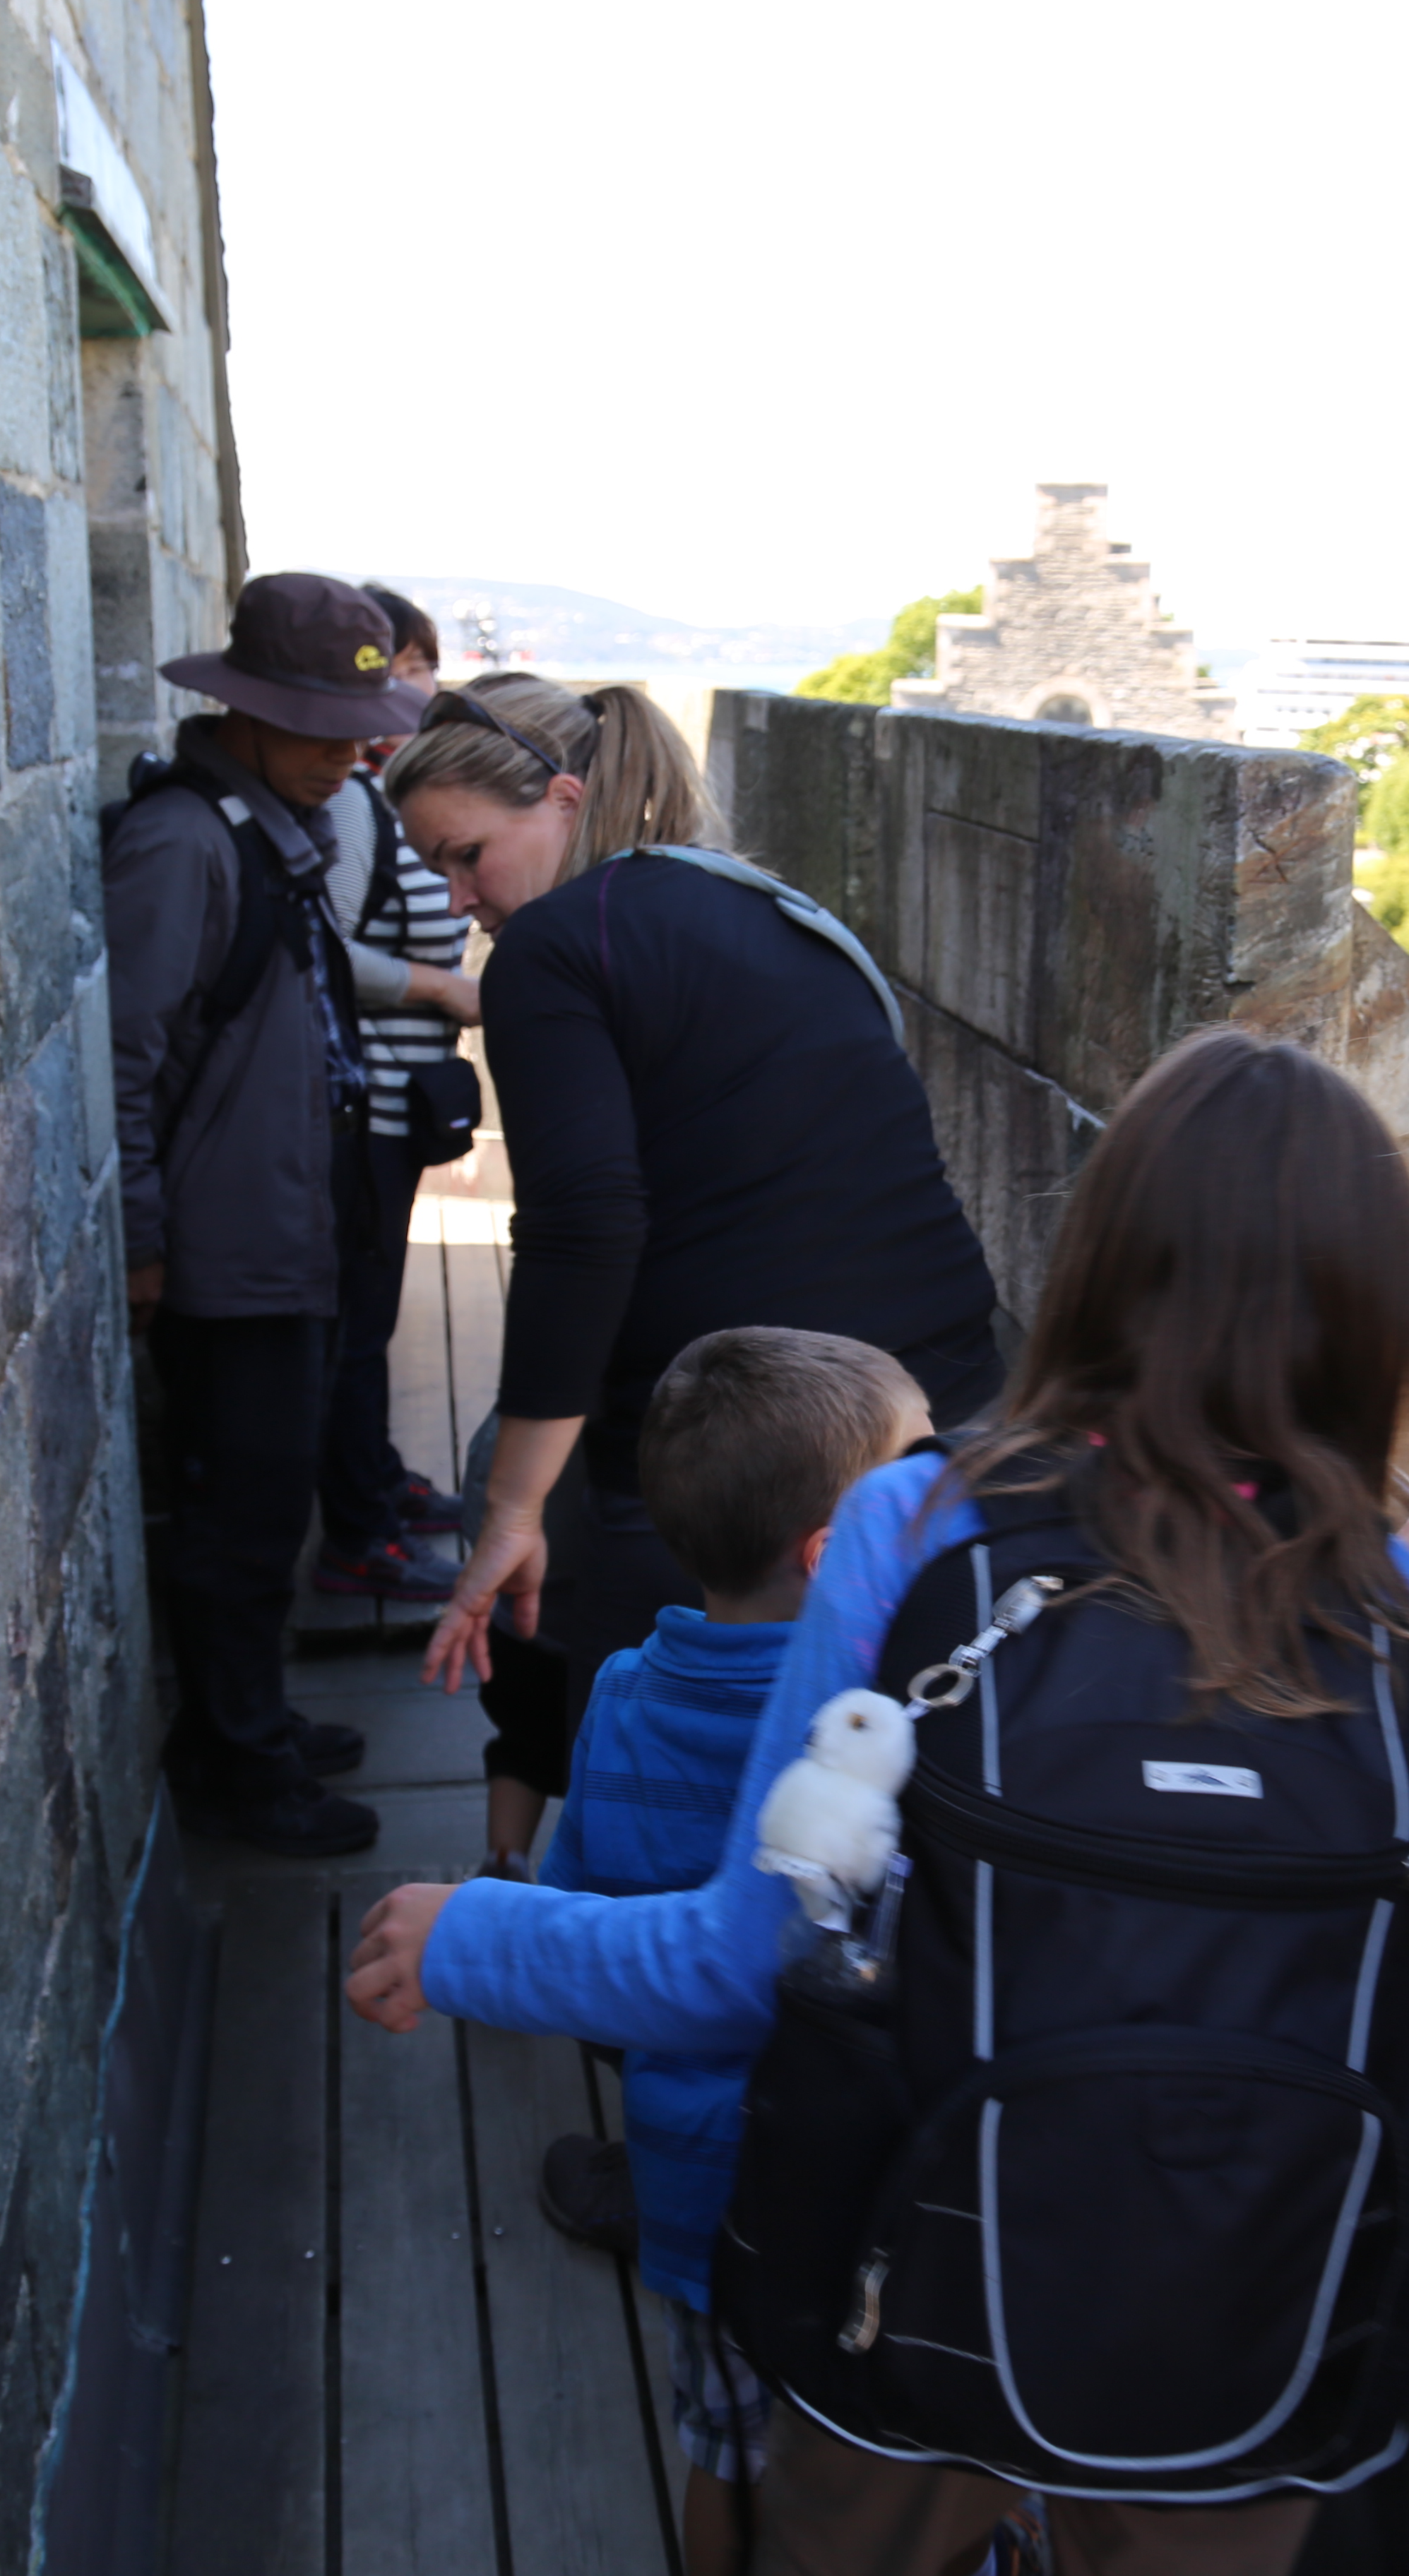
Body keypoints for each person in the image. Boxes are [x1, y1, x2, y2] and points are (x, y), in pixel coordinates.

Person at [347, 1027, 1409, 2576]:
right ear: (1373, 1312)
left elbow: (746, 1959)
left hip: (924, 2313)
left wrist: (472, 1934)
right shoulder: (1390, 1602)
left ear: (1102, 1252)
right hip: (1250, 2364)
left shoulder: (923, 1524)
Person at [380, 674, 1003, 1877]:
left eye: (468, 859)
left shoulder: (554, 948)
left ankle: (645, 2004)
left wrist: (515, 1508)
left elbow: (582, 1229)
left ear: (564, 799)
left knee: (688, 1783)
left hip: (748, 1449)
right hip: (936, 1407)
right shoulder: (771, 907)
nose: (462, 904)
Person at [521, 1326, 932, 2576]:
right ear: (837, 1557)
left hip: (694, 2192)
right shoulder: (886, 1736)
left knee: (725, 2449)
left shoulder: (622, 1699)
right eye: (917, 1494)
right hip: (864, 2199)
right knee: (886, 2466)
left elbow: (576, 1920)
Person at [106, 572, 428, 1857]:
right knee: (241, 1519)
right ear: (244, 715)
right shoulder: (186, 843)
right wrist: (142, 1239)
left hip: (284, 1226)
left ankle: (253, 1722)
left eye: (359, 733)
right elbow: (126, 1056)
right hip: (227, 1247)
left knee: (271, 1496)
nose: (351, 758)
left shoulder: (263, 827)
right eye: (323, 731)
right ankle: (241, 1764)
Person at [307, 584, 480, 1604]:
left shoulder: (375, 793)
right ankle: (358, 1534)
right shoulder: (351, 803)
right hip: (362, 1108)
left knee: (370, 1314)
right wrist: (442, 987)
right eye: (405, 666)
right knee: (358, 1324)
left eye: (421, 664)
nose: (419, 685)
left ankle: (377, 1485)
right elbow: (328, 953)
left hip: (390, 1108)